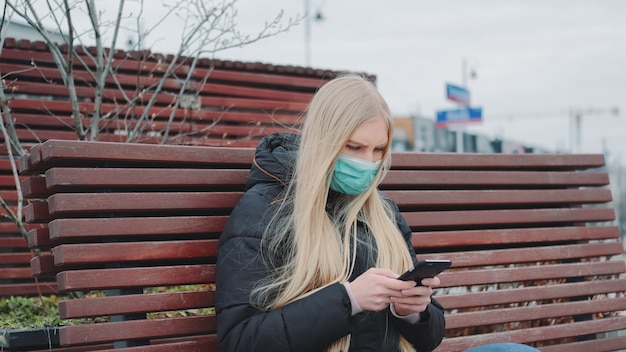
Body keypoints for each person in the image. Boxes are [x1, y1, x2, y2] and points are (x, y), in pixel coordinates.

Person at [216, 74, 540, 352]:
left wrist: (411, 311)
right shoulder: (266, 212)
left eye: (377, 150)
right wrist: (348, 300)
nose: (367, 162)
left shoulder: (382, 212)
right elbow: (240, 341)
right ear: (323, 141)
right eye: (354, 148)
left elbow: (430, 337)